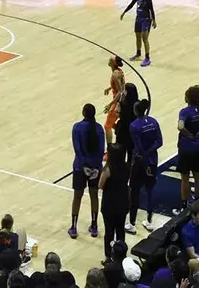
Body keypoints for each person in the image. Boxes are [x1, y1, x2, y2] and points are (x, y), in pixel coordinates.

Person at [69, 104, 104, 240]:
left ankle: (73, 227)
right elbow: (101, 150)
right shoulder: (99, 128)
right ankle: (94, 226)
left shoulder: (77, 128)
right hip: (95, 168)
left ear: (83, 113)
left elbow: (77, 149)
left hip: (80, 167)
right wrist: (95, 167)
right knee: (94, 196)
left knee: (77, 197)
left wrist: (84, 166)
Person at [127, 100, 161, 233]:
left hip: (140, 162)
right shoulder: (154, 121)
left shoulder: (134, 125)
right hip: (153, 159)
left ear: (136, 111)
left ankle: (131, 223)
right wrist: (151, 150)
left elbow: (139, 146)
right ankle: (149, 221)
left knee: (134, 191)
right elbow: (160, 141)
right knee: (150, 190)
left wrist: (145, 155)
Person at [175, 86, 199, 205]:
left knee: (185, 178)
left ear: (188, 98)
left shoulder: (184, 111)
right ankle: (198, 200)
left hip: (186, 148)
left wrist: (188, 134)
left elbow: (180, 126)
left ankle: (184, 203)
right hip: (198, 147)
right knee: (198, 174)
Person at [99, 139, 131, 260]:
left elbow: (100, 185)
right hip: (123, 201)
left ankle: (108, 257)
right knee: (120, 230)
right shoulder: (127, 166)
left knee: (109, 233)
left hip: (110, 204)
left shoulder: (108, 169)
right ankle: (121, 255)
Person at [119, 0, 155, 68]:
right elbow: (131, 4)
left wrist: (154, 20)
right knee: (137, 37)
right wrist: (124, 12)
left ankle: (147, 58)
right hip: (138, 18)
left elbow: (151, 8)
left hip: (146, 19)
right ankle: (138, 54)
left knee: (144, 38)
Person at [101, 58, 125, 138]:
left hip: (117, 102)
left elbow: (120, 91)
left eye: (110, 60)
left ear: (113, 63)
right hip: (119, 100)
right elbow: (121, 86)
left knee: (107, 126)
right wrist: (110, 87)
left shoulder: (115, 75)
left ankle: (110, 148)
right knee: (110, 124)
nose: (108, 60)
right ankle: (122, 131)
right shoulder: (118, 71)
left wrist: (110, 104)